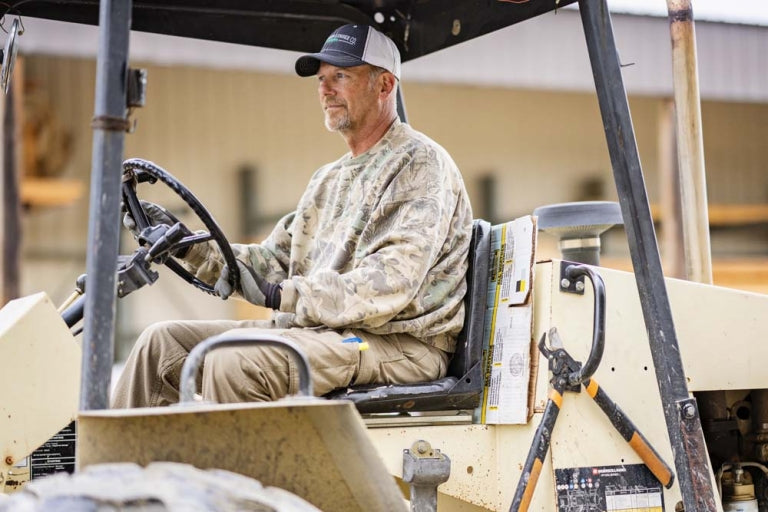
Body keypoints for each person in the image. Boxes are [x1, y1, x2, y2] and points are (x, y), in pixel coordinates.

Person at [112, 24, 473, 408]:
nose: (325, 90)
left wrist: (286, 295)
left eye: (340, 76)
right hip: (323, 331)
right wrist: (186, 244)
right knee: (160, 344)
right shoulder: (328, 179)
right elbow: (273, 264)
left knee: (235, 362)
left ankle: (234, 451)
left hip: (398, 343)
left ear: (384, 86)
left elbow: (391, 283)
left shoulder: (420, 163)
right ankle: (120, 451)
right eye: (321, 80)